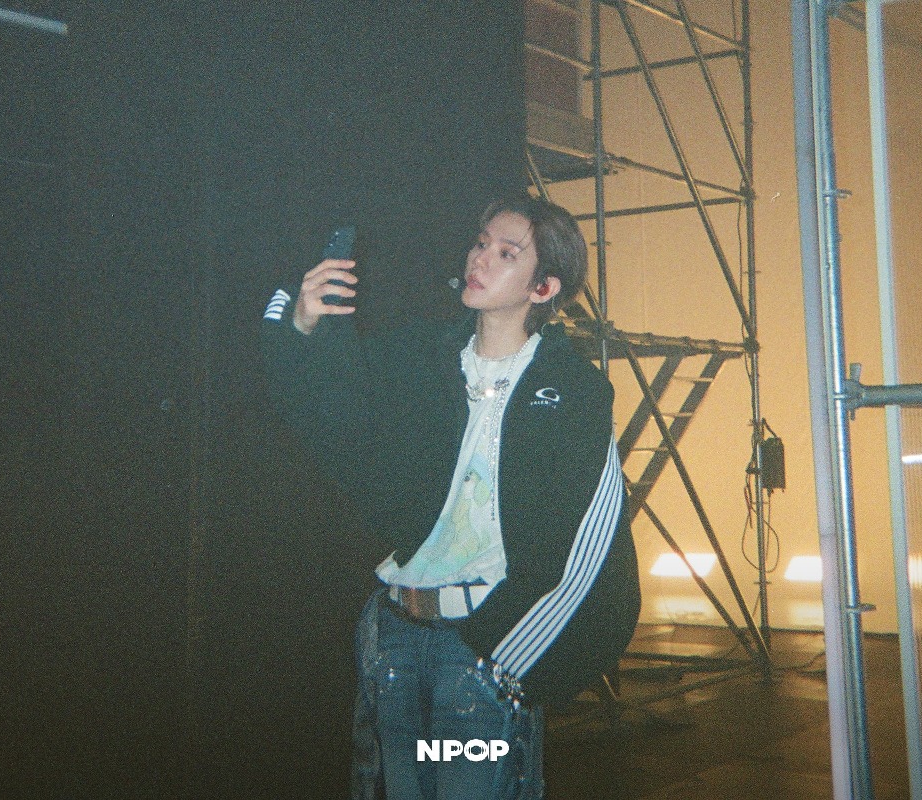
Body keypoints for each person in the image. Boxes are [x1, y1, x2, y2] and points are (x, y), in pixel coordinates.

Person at [260, 195, 640, 799]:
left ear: (543, 288)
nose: (480, 259)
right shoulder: (421, 356)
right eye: (481, 243)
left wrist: (506, 655)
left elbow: (590, 547)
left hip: (481, 649)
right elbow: (328, 413)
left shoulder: (570, 391)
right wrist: (302, 325)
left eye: (506, 253)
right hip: (393, 642)